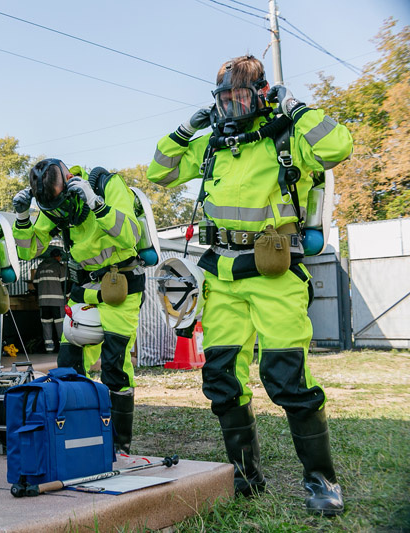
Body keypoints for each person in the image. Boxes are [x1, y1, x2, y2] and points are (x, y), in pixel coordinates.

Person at [147, 55, 353, 515]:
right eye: (223, 97)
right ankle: (244, 476)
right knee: (221, 379)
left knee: (287, 379)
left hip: (275, 274)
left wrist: (296, 107)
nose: (231, 105)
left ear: (261, 93)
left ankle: (322, 481)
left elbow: (338, 146)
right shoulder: (212, 146)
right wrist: (185, 129)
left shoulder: (287, 136)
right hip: (221, 276)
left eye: (240, 94)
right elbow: (159, 171)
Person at [12, 158, 145, 453]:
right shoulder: (53, 204)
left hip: (120, 284)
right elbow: (29, 250)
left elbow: (131, 235)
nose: (58, 214)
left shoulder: (108, 186)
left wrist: (96, 203)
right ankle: (74, 437)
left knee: (115, 367)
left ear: (70, 179)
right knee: (68, 366)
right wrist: (22, 217)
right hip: (83, 286)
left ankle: (118, 446)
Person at [32, 248, 67, 353]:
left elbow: (35, 283)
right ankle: (63, 347)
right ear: (58, 257)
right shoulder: (59, 267)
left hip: (43, 302)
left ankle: (49, 348)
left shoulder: (40, 266)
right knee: (59, 323)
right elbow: (65, 284)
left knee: (46, 323)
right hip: (57, 301)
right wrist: (68, 295)